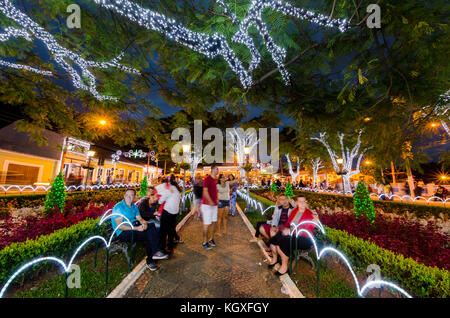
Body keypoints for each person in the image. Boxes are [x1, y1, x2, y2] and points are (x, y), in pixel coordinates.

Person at [111, 189, 168, 271]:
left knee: (151, 226)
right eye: (127, 195)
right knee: (149, 235)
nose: (129, 197)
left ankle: (155, 253)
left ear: (134, 197)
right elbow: (120, 226)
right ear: (124, 196)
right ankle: (152, 258)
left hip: (134, 227)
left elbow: (140, 219)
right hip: (123, 232)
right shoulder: (119, 207)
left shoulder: (134, 207)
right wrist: (136, 228)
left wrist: (144, 223)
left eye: (131, 195)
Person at [267, 196, 319, 275]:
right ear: (297, 203)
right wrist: (282, 229)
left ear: (306, 203)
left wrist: (291, 231)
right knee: (274, 239)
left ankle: (284, 267)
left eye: (303, 201)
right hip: (291, 234)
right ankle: (275, 259)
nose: (301, 203)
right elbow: (288, 224)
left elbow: (306, 231)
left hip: (304, 238)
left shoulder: (310, 214)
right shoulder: (294, 211)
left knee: (282, 242)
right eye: (300, 201)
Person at [158, 175, 182, 253]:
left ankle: (162, 249)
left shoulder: (169, 189)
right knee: (171, 230)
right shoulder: (177, 189)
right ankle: (170, 247)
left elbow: (160, 201)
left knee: (163, 231)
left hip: (168, 212)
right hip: (175, 212)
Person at [201, 164, 219, 250]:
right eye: (216, 169)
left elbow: (214, 191)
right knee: (207, 223)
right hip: (207, 205)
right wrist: (210, 201)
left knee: (213, 222)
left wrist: (216, 199)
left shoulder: (215, 180)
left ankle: (211, 239)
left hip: (214, 205)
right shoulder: (207, 179)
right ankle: (204, 242)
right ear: (212, 169)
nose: (218, 171)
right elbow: (205, 191)